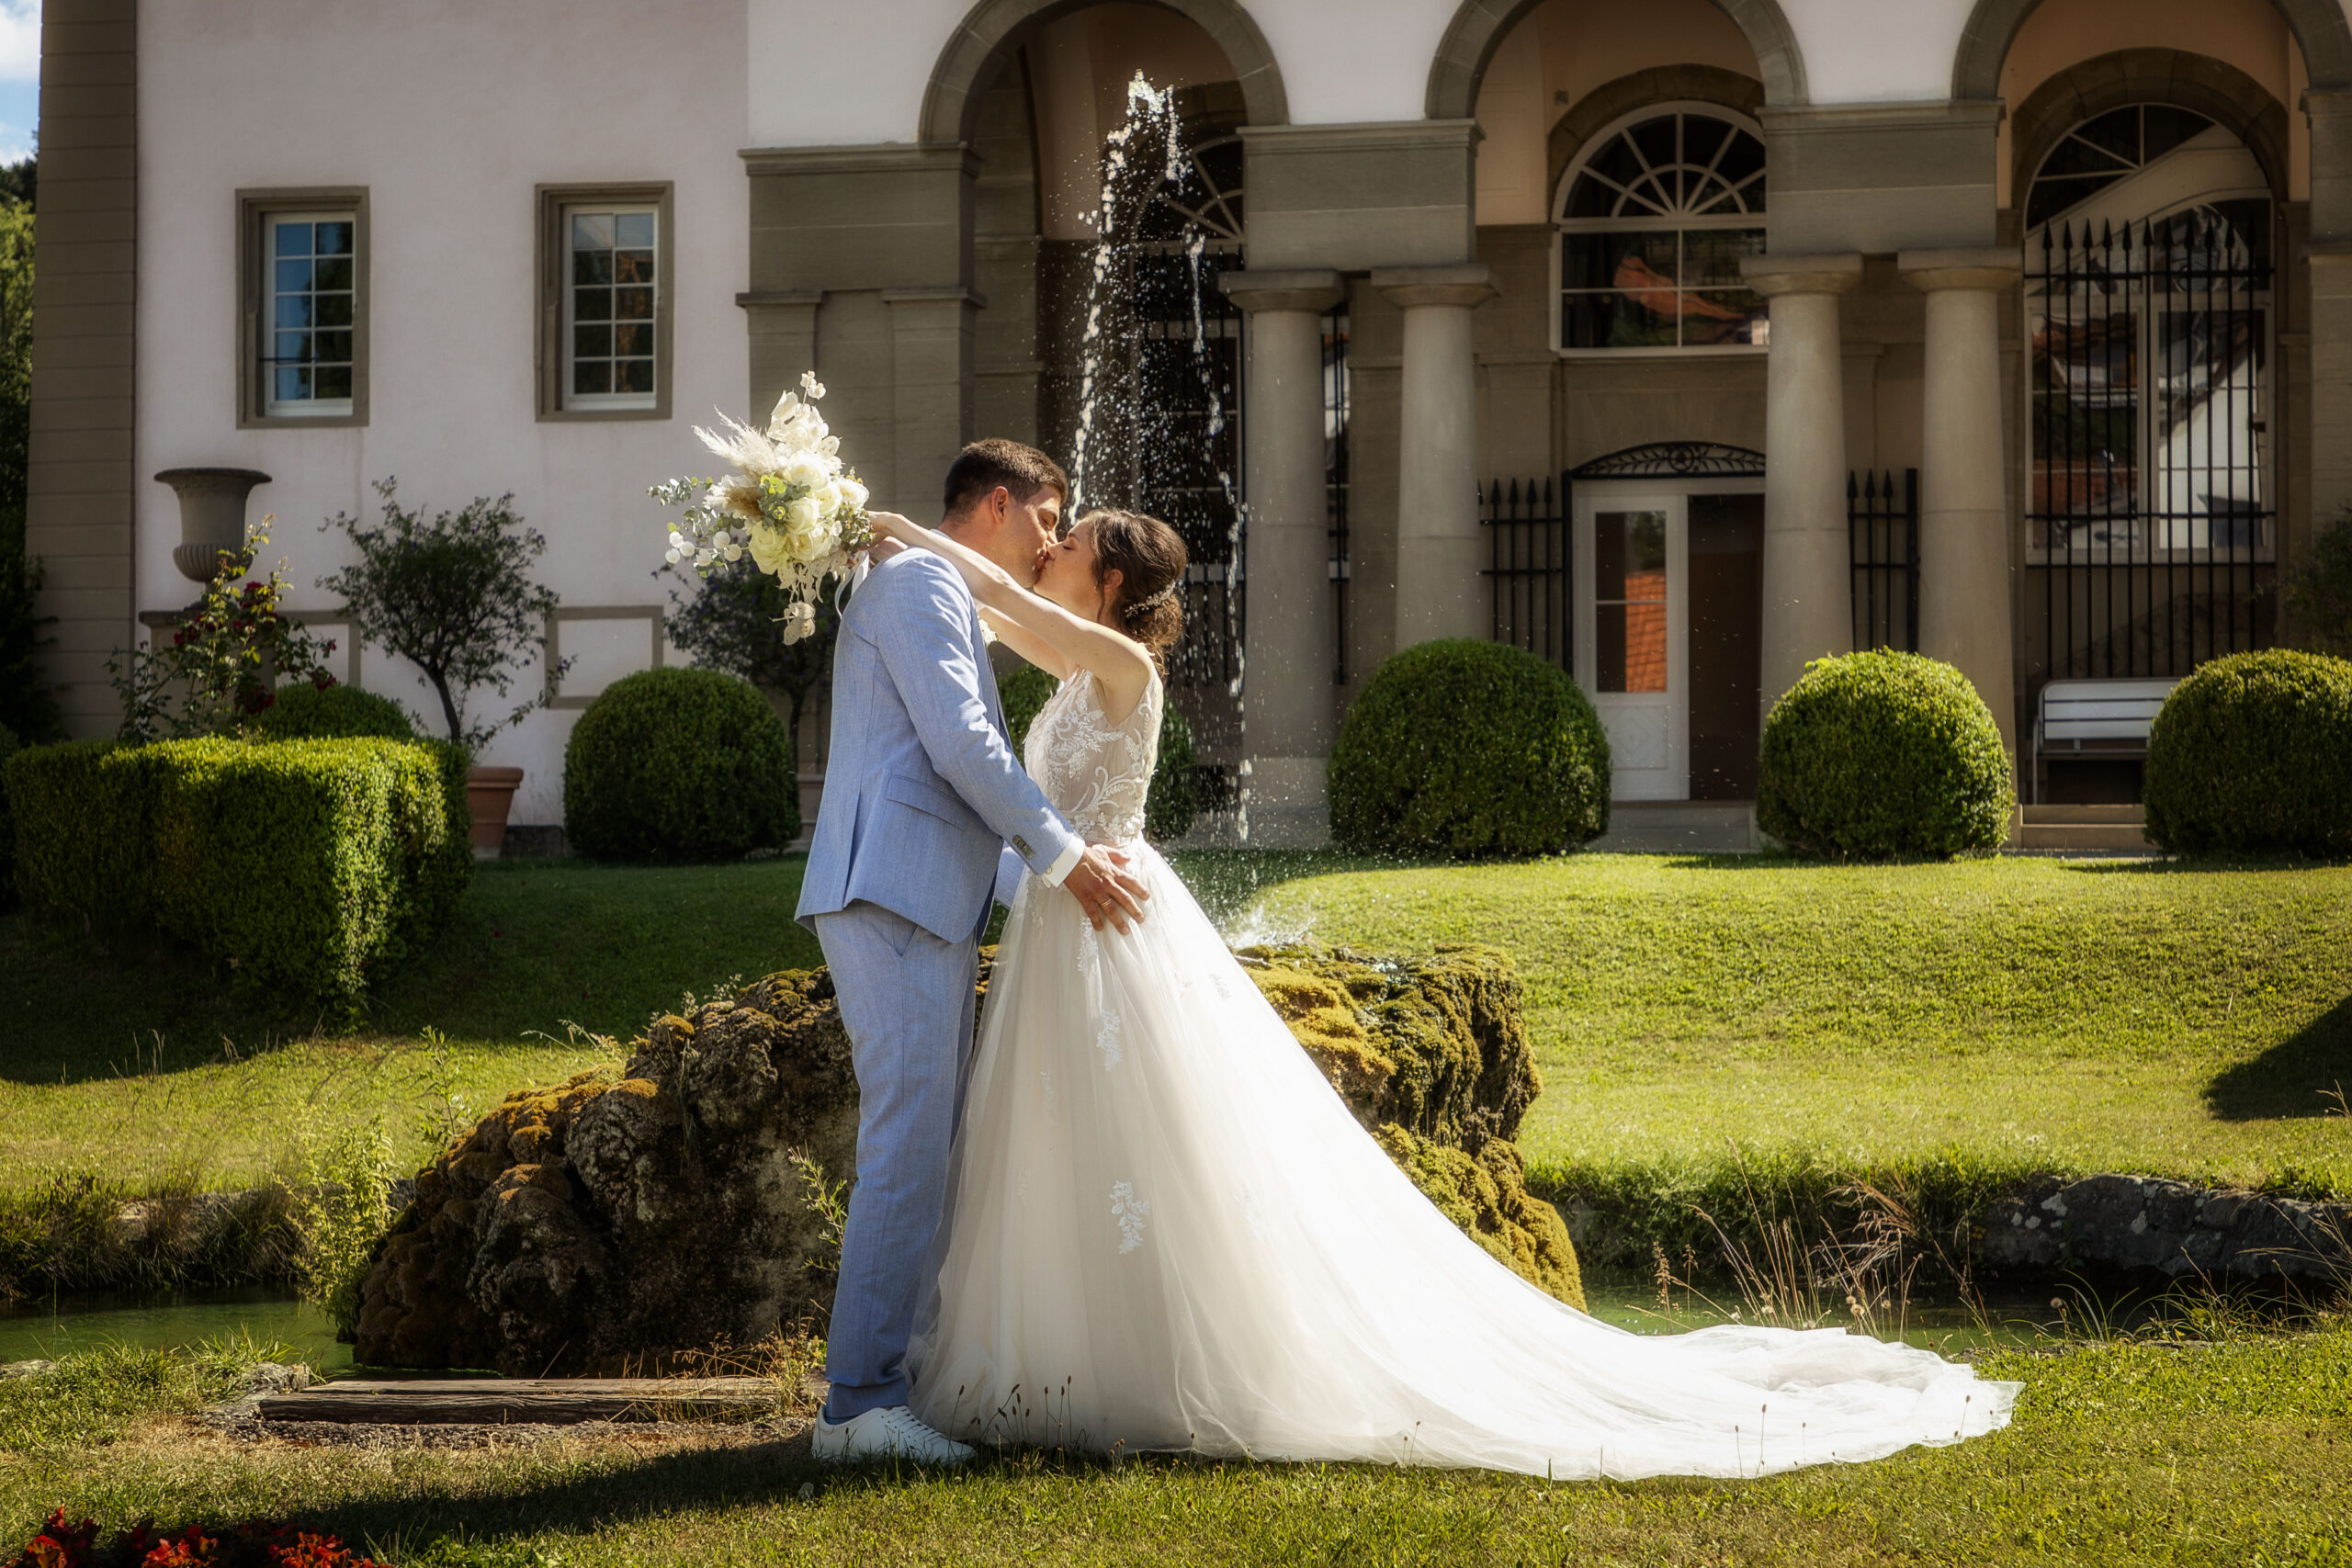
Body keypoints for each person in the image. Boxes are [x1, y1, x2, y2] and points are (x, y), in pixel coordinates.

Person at [857, 502, 2020, 1480]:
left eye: (1066, 547)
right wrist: (920, 564)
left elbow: (1017, 608)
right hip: (1075, 919)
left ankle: (1165, 1360)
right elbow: (1004, 614)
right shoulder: (1078, 655)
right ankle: (1067, 1357)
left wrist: (910, 533)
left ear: (1105, 579)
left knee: (1152, 1141)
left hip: (1111, 921)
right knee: (1072, 1142)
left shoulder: (1119, 661)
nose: (1043, 551)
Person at [796, 440, 1150, 1467]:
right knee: (907, 1145)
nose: (1051, 542)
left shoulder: (933, 583)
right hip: (894, 892)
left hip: (921, 894)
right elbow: (960, 745)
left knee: (924, 1142)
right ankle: (859, 1408)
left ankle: (891, 1387)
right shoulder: (914, 583)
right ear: (1003, 503)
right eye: (1049, 519)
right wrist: (1062, 856)